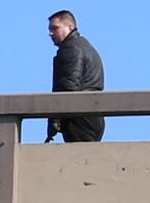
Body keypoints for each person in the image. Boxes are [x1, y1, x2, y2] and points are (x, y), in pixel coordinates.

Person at [44, 10, 107, 142]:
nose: (50, 33)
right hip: (92, 116)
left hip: (78, 118)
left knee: (80, 159)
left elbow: (67, 87)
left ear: (71, 27)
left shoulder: (71, 50)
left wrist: (55, 120)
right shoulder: (84, 46)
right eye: (50, 29)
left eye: (55, 28)